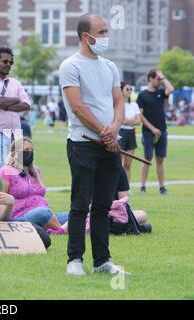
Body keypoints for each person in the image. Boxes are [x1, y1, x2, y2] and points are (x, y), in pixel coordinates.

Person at [59, 14, 127, 276]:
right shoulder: (70, 65)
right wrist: (103, 132)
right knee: (80, 204)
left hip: (109, 144)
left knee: (102, 205)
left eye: (106, 31)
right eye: (101, 32)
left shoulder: (110, 66)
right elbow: (77, 106)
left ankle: (102, 261)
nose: (105, 36)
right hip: (83, 144)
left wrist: (114, 129)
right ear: (86, 36)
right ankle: (74, 259)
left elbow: (118, 102)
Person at [0, 138, 69, 235]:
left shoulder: (36, 170)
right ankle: (62, 230)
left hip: (46, 212)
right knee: (44, 213)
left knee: (77, 214)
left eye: (32, 150)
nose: (29, 153)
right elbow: (1, 199)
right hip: (20, 216)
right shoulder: (6, 171)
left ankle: (56, 229)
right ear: (14, 153)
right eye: (26, 150)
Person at [137, 69, 174, 195]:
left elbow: (171, 89)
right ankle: (142, 187)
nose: (159, 82)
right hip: (148, 132)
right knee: (147, 159)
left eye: (159, 79)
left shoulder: (160, 92)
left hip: (162, 131)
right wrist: (152, 129)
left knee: (160, 160)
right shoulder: (142, 95)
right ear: (150, 79)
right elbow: (140, 116)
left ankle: (162, 187)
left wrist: (162, 76)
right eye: (157, 79)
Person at [119, 82, 141, 181]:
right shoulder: (118, 105)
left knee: (128, 164)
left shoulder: (134, 105)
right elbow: (119, 120)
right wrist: (130, 121)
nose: (129, 91)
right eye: (127, 89)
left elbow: (138, 121)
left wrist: (126, 121)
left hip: (131, 134)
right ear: (121, 91)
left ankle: (127, 188)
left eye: (131, 89)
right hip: (120, 133)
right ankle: (116, 188)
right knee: (118, 163)